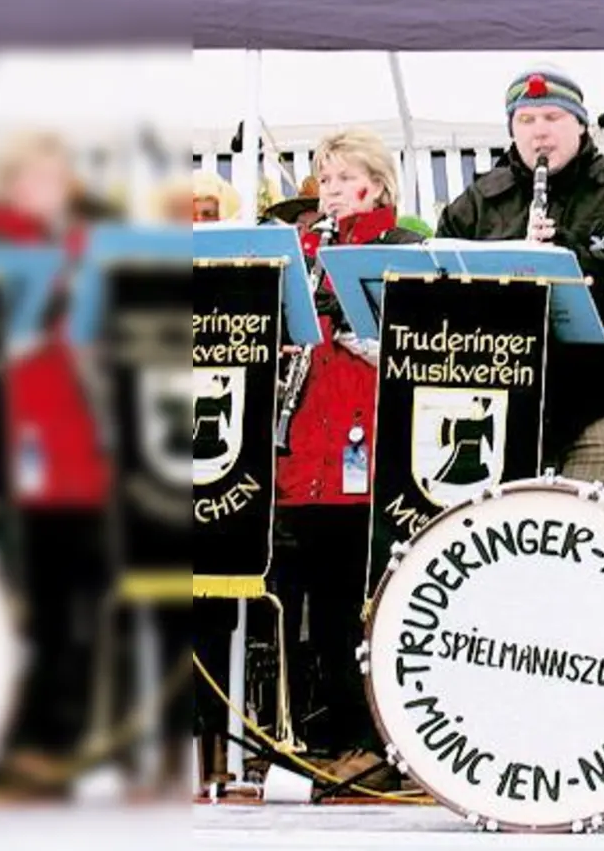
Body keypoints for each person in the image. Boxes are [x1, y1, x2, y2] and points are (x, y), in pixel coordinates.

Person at [437, 64, 604, 504]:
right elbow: (441, 293)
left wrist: (577, 260)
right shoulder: (475, 205)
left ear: (581, 125)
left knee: (595, 554)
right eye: (526, 121)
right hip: (502, 410)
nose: (539, 133)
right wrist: (514, 258)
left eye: (553, 118)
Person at [270, 128, 425, 781]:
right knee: (316, 605)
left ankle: (378, 740)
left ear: (377, 184)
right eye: (323, 179)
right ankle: (324, 733)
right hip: (306, 446)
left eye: (342, 177)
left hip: (370, 442)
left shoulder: (402, 246)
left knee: (365, 601)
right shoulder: (302, 250)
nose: (330, 190)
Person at [0, 131, 111, 786]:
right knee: (38, 600)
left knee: (60, 599)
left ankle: (48, 739)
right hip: (26, 443)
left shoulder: (80, 247)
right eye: (39, 177)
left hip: (68, 455)